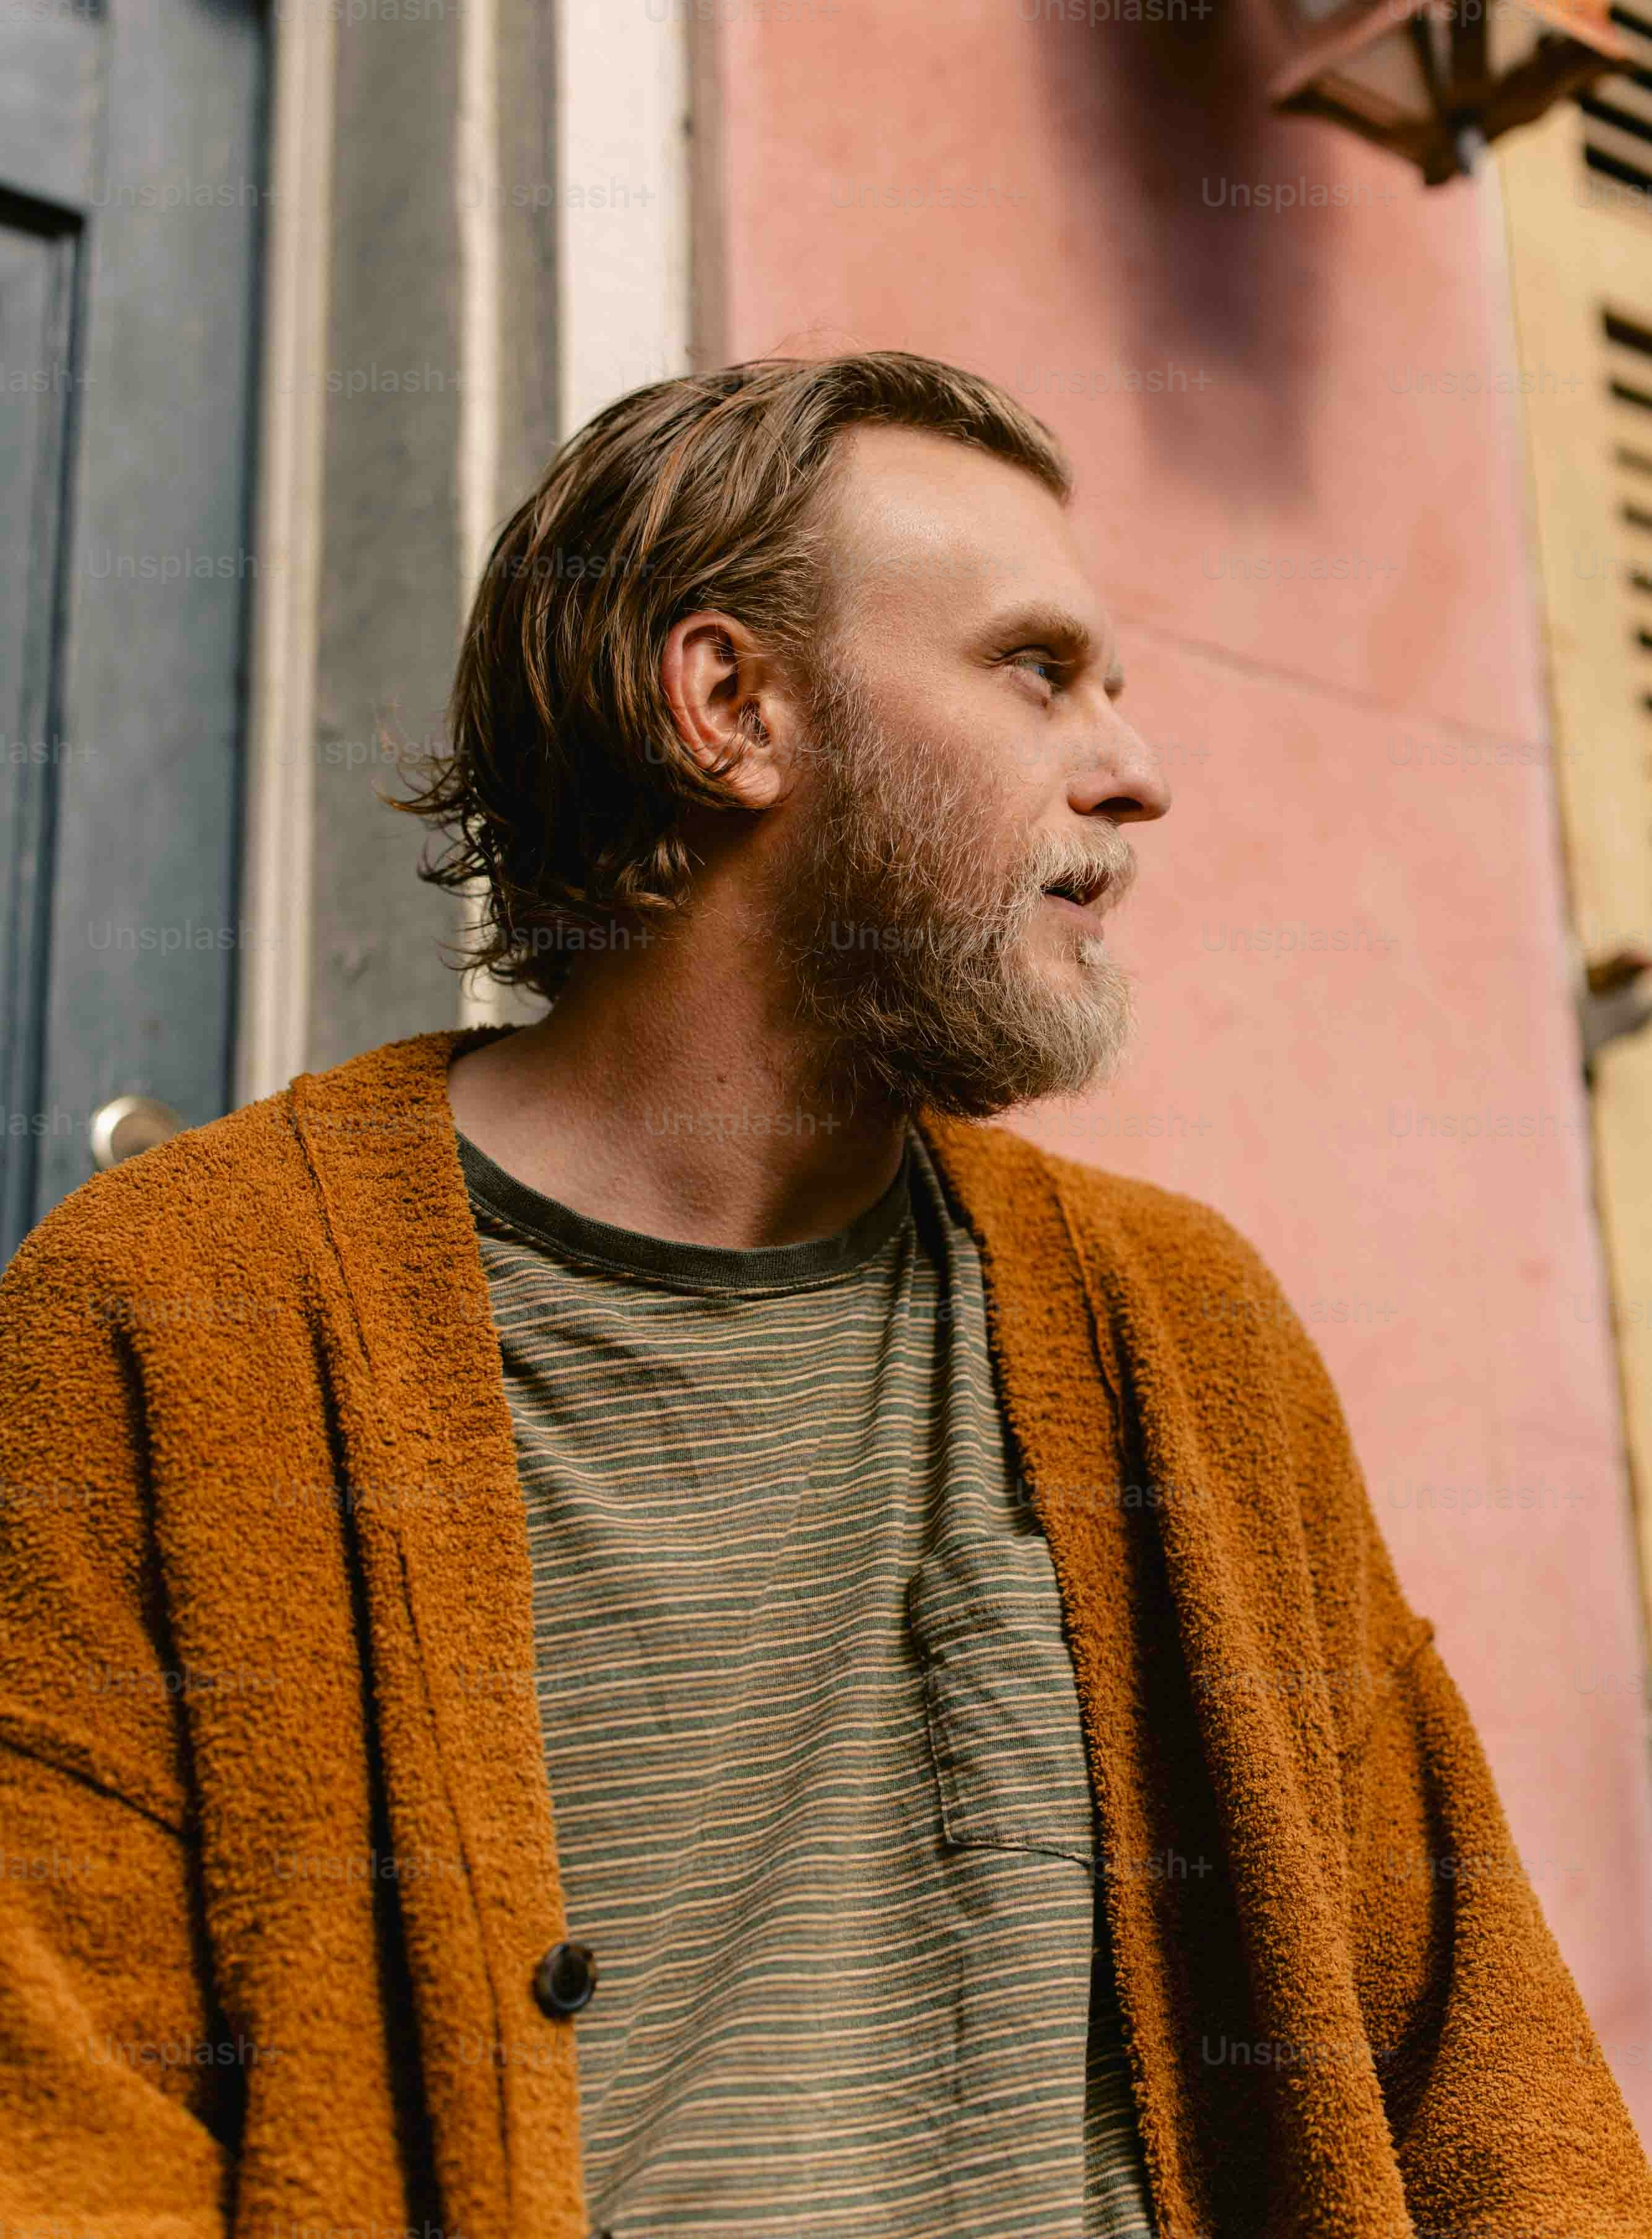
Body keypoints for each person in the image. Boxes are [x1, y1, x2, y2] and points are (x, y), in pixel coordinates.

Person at [1, 351, 1647, 2239]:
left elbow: (1487, 2079)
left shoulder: (1184, 1332)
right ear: (731, 707)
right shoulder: (172, 1313)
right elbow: (56, 2127)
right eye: (1036, 670)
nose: (1134, 773)